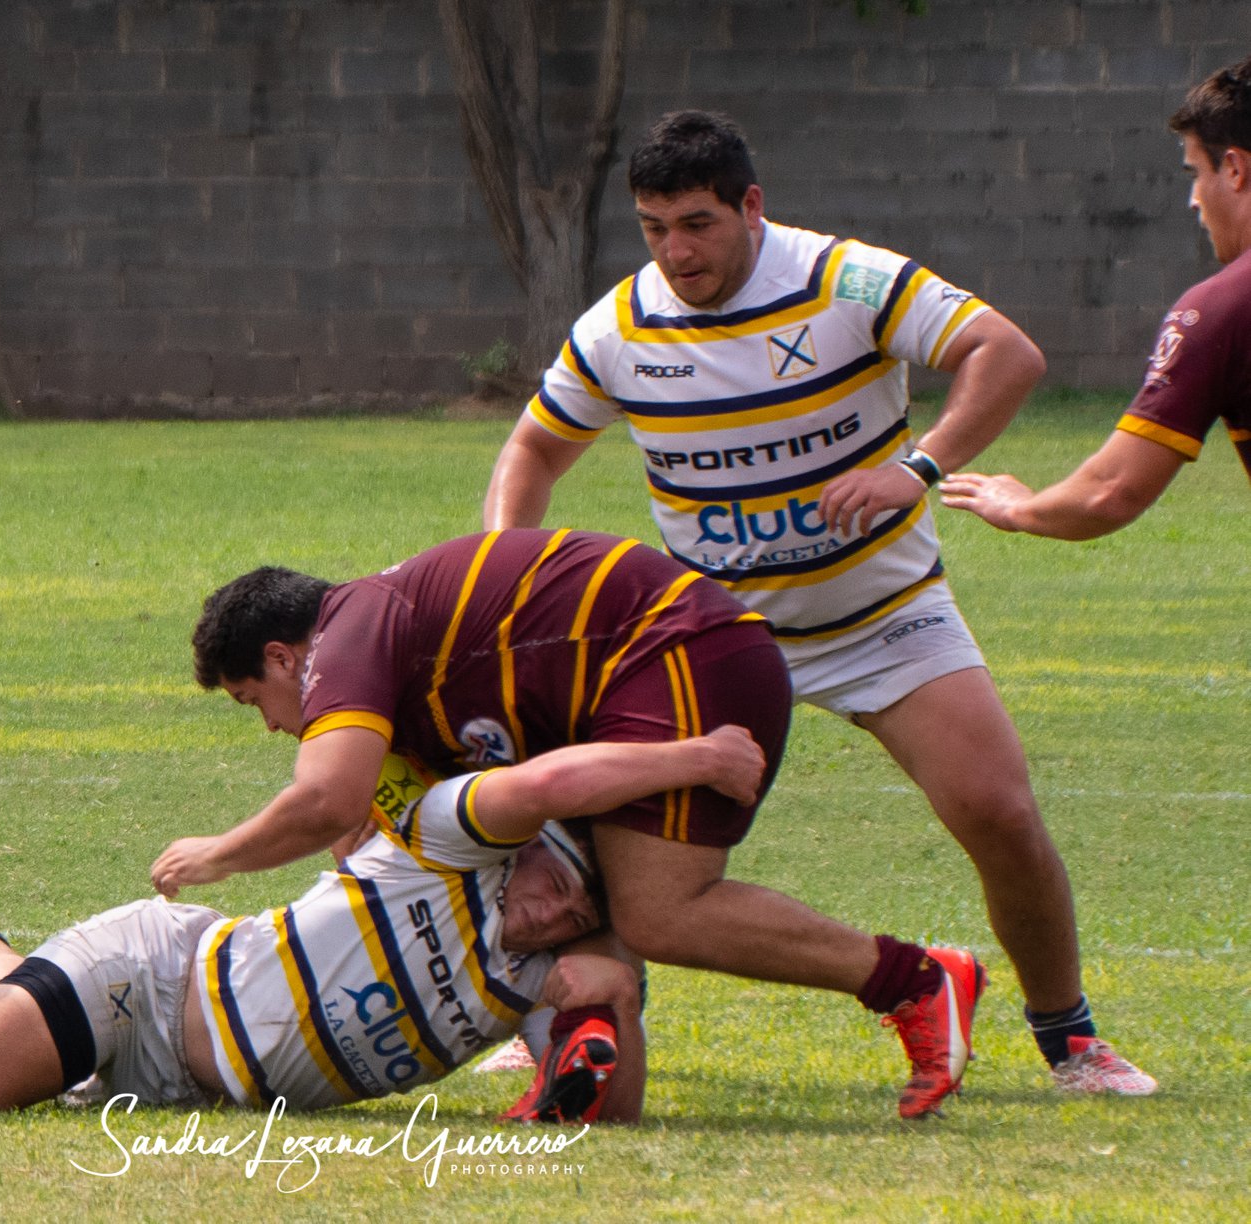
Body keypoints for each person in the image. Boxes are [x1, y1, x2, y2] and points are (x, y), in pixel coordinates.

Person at [477, 111, 1154, 1097]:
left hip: (885, 619)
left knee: (998, 811)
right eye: (655, 228)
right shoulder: (619, 327)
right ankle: (575, 1003)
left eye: (699, 224)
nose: (676, 252)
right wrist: (508, 568)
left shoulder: (847, 281)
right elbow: (534, 448)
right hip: (713, 639)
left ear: (753, 207)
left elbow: (1005, 353)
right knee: (587, 821)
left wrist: (915, 469)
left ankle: (1071, 1040)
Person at [155, 529, 988, 1121]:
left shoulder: (349, 631)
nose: (272, 725)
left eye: (254, 701)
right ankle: (578, 1041)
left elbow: (327, 801)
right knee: (541, 887)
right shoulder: (390, 673)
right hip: (643, 675)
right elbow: (373, 838)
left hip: (676, 652)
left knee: (659, 911)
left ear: (284, 657)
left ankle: (917, 981)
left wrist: (217, 856)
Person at [0, 733, 766, 1121]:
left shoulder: (544, 979)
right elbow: (550, 782)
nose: (548, 901)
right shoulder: (451, 840)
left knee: (14, 1048)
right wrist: (699, 758)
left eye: (579, 906)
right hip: (149, 979)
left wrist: (614, 1007)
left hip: (185, 1088)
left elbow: (606, 1115)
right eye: (549, 869)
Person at [943, 57, 1251, 537]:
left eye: (1195, 173)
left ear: (1233, 168)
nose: (1193, 199)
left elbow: (1110, 492)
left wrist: (1019, 508)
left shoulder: (1222, 309)